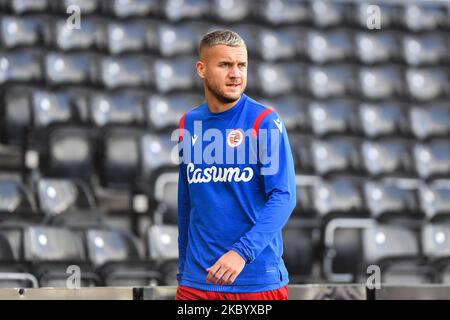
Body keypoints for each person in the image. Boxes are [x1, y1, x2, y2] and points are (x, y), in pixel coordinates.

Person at [175, 29, 296, 300]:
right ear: (201, 69)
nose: (236, 74)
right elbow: (187, 201)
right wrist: (184, 269)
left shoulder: (265, 121)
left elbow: (284, 196)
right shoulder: (188, 124)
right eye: (225, 65)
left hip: (255, 282)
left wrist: (242, 252)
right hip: (197, 283)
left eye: (242, 65)